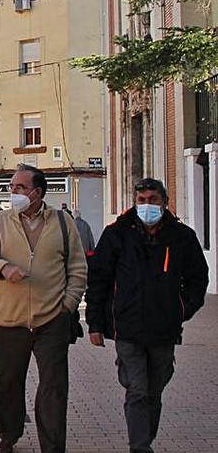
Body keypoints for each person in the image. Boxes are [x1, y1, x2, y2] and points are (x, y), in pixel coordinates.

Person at [85, 178, 208, 453]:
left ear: (164, 202)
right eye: (142, 201)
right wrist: (95, 323)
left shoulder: (181, 237)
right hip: (127, 328)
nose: (147, 205)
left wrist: (181, 310)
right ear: (135, 202)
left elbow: (198, 279)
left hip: (164, 330)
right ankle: (140, 448)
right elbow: (99, 279)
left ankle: (144, 439)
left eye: (153, 200)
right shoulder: (117, 234)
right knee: (138, 390)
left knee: (154, 391)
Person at [0, 164, 87, 453]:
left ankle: (52, 446)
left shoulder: (62, 222)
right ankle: (9, 434)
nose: (13, 192)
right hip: (9, 321)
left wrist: (68, 305)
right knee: (6, 385)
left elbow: (77, 267)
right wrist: (3, 268)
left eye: (20, 188)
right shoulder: (0, 221)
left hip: (52, 319)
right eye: (12, 187)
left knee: (53, 388)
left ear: (37, 192)